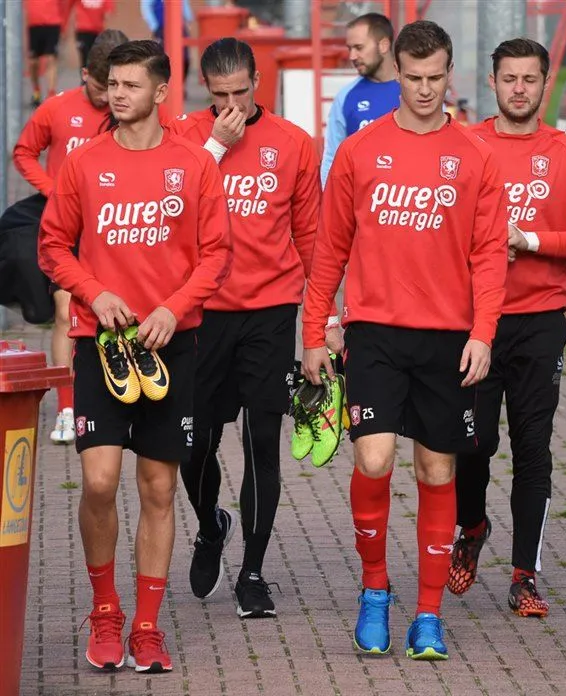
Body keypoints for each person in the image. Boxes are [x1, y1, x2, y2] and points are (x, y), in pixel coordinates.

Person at [302, 20, 507, 660]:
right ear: (397, 71)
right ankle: (374, 591)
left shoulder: (475, 154)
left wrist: (483, 333)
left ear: (449, 75)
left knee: (437, 468)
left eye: (434, 77)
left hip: (447, 339)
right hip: (375, 334)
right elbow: (330, 248)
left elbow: (489, 255)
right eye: (413, 77)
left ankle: (427, 614)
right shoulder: (362, 150)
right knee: (373, 460)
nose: (423, 89)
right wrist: (315, 331)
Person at [38, 39, 232, 674]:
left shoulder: (195, 164)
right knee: (98, 481)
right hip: (101, 345)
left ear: (160, 92)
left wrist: (173, 308)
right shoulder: (83, 162)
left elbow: (216, 255)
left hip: (173, 346)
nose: (117, 94)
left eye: (130, 85)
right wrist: (94, 293)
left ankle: (146, 627)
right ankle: (105, 611)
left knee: (158, 486)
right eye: (112, 85)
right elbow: (53, 247)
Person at [169, 37, 340, 618]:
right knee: (193, 444)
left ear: (257, 83)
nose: (231, 106)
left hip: (269, 311)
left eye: (240, 93)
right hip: (202, 313)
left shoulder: (292, 142)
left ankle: (253, 571)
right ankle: (210, 525)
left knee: (260, 442)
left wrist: (324, 320)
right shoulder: (185, 137)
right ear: (204, 89)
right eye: (219, 96)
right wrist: (217, 145)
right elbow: (174, 211)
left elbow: (311, 236)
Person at [447, 38, 566, 617]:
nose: (519, 89)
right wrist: (484, 248)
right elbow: (442, 223)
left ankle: (524, 576)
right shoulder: (467, 144)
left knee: (532, 447)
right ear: (492, 82)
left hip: (540, 323)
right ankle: (473, 527)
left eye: (529, 79)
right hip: (476, 323)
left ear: (544, 84)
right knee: (473, 442)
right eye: (509, 78)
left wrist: (527, 240)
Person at [14, 28, 129, 445]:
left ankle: (123, 389)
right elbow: (24, 153)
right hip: (69, 227)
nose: (109, 97)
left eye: (117, 86)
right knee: (66, 310)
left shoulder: (131, 114)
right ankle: (67, 408)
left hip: (118, 225)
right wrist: (53, 190)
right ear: (85, 76)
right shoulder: (57, 108)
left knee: (121, 310)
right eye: (102, 87)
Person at [320, 12, 400, 187]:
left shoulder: (417, 91)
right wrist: (326, 198)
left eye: (359, 47)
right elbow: (332, 157)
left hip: (409, 199)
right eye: (350, 48)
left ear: (384, 45)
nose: (352, 56)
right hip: (359, 201)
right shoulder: (346, 97)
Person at [140, 0, 193, 79]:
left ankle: (181, 81)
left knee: (184, 56)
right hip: (162, 28)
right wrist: (155, 27)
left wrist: (188, 19)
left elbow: (184, 5)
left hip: (179, 27)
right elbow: (146, 8)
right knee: (163, 56)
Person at [25, 0, 63, 106]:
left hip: (53, 24)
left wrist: (63, 26)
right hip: (34, 24)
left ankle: (51, 94)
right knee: (33, 62)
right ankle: (36, 91)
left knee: (51, 59)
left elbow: (64, 6)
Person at [67, 0, 115, 68]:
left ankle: (94, 73)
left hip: (97, 31)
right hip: (82, 30)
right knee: (85, 57)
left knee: (96, 58)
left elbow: (108, 11)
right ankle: (85, 74)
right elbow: (69, 6)